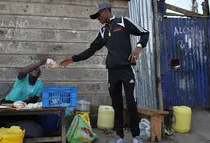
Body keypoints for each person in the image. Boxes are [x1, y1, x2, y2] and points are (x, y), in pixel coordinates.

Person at [60, 2, 149, 143]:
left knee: (131, 103)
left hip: (126, 69)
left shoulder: (123, 22)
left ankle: (136, 136)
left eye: (99, 15)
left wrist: (139, 47)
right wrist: (73, 58)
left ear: (107, 11)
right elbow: (91, 50)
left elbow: (144, 32)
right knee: (117, 104)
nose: (98, 19)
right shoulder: (102, 32)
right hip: (112, 72)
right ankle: (119, 136)